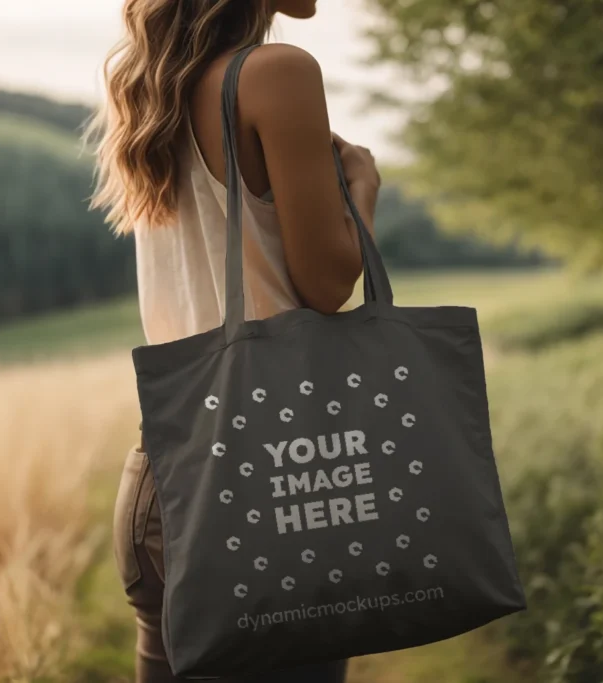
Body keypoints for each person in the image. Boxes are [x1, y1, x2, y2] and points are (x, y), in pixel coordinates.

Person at [85, 1, 382, 681]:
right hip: (279, 474)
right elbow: (328, 282)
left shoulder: (150, 85)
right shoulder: (277, 74)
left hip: (163, 478)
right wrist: (361, 194)